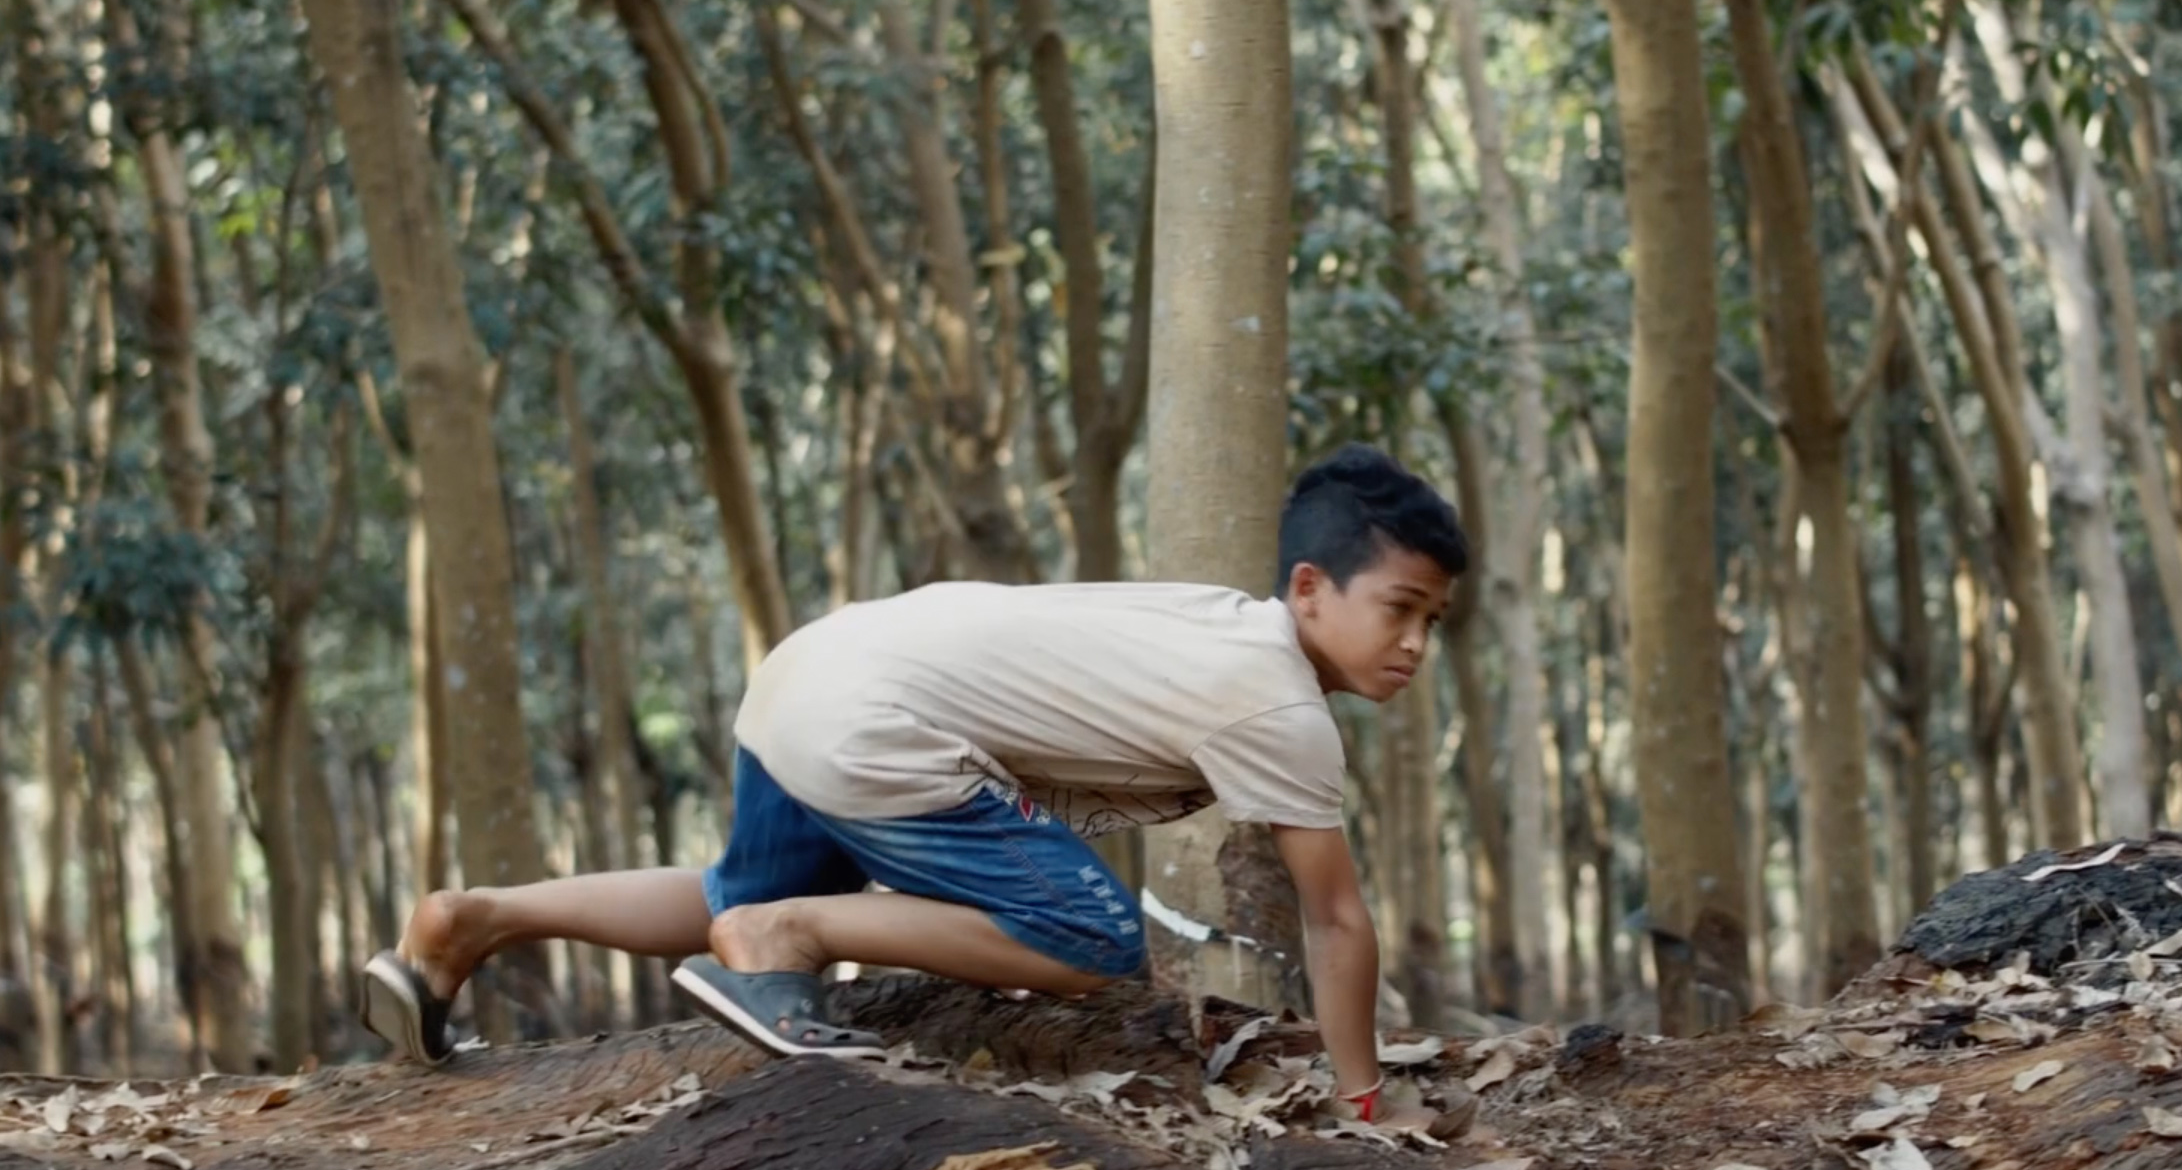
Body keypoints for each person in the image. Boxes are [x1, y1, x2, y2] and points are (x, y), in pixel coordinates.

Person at [358, 442, 1467, 1122]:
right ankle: (787, 944)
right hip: (879, 726)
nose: (1414, 643)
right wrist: (1359, 1093)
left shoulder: (1217, 625)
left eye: (1431, 620)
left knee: (724, 896)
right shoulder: (1275, 699)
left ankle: (472, 918)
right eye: (1398, 608)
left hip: (809, 674)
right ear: (1310, 587)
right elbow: (1333, 918)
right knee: (1089, 933)